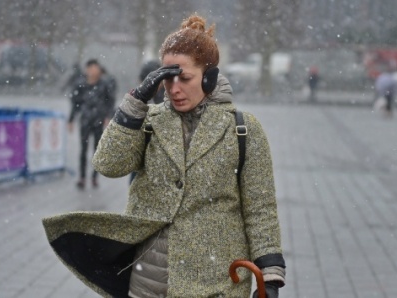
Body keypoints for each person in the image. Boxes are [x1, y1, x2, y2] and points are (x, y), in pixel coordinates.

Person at [94, 14, 285, 297]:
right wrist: (135, 102)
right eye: (167, 79)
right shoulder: (149, 122)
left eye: (184, 78)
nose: (174, 89)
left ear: (209, 77)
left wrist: (269, 277)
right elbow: (107, 164)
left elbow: (260, 209)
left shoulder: (244, 129)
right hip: (151, 281)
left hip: (219, 282)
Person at [68, 59, 115, 189]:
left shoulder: (104, 85)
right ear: (87, 70)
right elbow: (75, 103)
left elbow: (110, 102)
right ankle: (82, 177)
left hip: (99, 120)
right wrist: (71, 120)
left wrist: (108, 116)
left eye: (97, 68)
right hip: (85, 120)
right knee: (83, 149)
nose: (95, 71)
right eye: (92, 68)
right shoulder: (80, 85)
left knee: (97, 150)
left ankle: (94, 177)